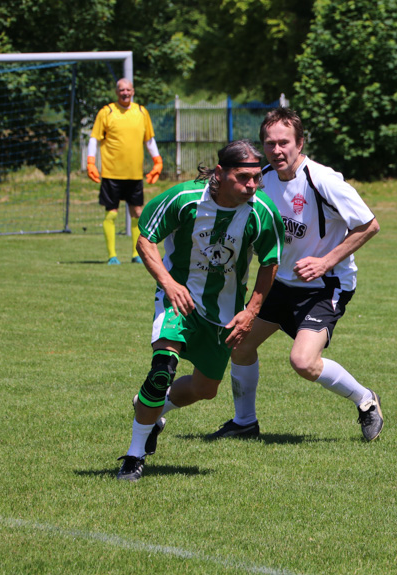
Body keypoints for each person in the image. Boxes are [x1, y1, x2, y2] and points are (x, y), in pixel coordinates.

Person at [209, 107, 384, 442]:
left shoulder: (323, 181)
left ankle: (365, 400)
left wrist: (324, 261)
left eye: (284, 142)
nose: (276, 150)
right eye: (270, 143)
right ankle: (244, 422)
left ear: (299, 143)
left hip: (324, 285)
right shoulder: (261, 180)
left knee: (303, 361)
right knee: (240, 345)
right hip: (280, 283)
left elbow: (369, 225)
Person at [116, 140, 284, 482]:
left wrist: (251, 311)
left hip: (224, 312)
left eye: (257, 178)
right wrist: (168, 283)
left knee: (206, 389)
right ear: (220, 173)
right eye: (243, 177)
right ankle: (134, 456)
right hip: (178, 300)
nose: (252, 185)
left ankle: (151, 409)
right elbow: (145, 240)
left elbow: (270, 262)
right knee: (162, 369)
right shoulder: (184, 199)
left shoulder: (262, 211)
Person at [87, 78, 163, 265]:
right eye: (122, 90)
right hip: (112, 174)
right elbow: (94, 139)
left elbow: (149, 140)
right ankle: (112, 255)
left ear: (133, 91)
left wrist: (157, 161)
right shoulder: (107, 112)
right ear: (117, 92)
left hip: (134, 174)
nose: (125, 93)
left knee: (138, 213)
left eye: (128, 89)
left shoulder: (141, 111)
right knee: (111, 213)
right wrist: (90, 162)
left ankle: (137, 254)